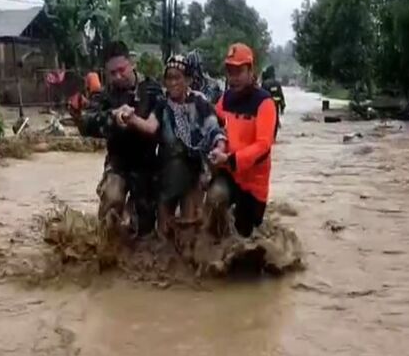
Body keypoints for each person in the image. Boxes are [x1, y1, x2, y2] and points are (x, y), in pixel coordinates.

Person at [126, 55, 226, 237]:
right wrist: (132, 119)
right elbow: (150, 127)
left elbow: (214, 131)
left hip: (193, 173)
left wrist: (219, 149)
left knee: (190, 227)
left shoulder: (200, 102)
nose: (172, 83)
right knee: (164, 228)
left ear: (188, 80)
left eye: (177, 77)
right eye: (169, 78)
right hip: (166, 173)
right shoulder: (162, 104)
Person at [76, 41, 163, 236]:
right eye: (112, 73)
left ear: (132, 63)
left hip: (147, 166)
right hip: (118, 163)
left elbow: (160, 127)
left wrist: (134, 120)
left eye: (121, 70)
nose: (117, 76)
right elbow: (88, 122)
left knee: (145, 231)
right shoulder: (106, 95)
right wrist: (113, 116)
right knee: (112, 199)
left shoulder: (152, 90)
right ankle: (104, 247)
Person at [207, 43, 278, 238]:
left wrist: (230, 159)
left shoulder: (265, 103)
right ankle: (213, 247)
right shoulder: (226, 98)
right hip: (228, 174)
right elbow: (215, 123)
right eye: (230, 71)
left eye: (239, 71)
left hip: (254, 184)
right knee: (214, 200)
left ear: (250, 71)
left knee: (245, 237)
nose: (234, 77)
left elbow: (263, 146)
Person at [261, 65, 286, 136]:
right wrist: (282, 106)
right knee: (275, 120)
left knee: (267, 121)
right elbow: (281, 96)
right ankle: (274, 136)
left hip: (267, 106)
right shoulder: (277, 83)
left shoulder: (265, 83)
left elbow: (261, 96)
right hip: (276, 105)